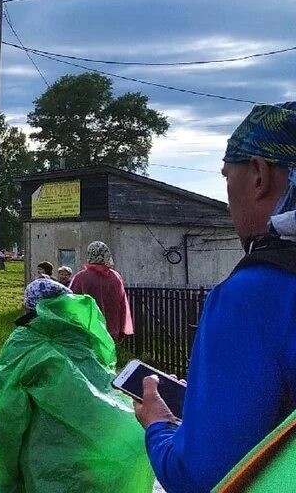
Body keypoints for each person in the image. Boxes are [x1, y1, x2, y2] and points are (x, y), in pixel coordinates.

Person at [136, 102, 296, 491]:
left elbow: (200, 477)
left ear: (258, 175)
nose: (227, 201)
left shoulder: (251, 296)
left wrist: (157, 423)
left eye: (228, 178)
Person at [0, 279, 154, 492]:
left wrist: (1, 473)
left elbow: (5, 413)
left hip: (44, 465)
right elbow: (106, 397)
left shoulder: (24, 345)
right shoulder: (84, 342)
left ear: (30, 306)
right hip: (95, 463)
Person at [68, 241, 134, 344]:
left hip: (88, 330)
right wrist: (122, 330)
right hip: (112, 330)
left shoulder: (81, 277)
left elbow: (71, 303)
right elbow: (123, 304)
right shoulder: (116, 277)